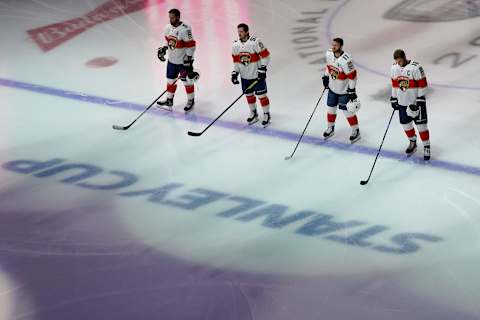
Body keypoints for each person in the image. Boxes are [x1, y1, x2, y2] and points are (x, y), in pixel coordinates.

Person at [390, 49, 430, 160]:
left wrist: (419, 101)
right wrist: (393, 98)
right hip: (402, 103)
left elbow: (423, 84)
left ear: (404, 57)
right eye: (396, 61)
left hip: (416, 103)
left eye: (400, 61)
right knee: (405, 124)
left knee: (421, 126)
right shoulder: (394, 68)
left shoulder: (416, 67)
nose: (398, 63)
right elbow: (394, 84)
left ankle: (426, 146)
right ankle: (413, 142)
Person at [156, 8, 197, 112]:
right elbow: (168, 42)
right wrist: (164, 48)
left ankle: (191, 100)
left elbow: (191, 46)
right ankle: (169, 100)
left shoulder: (185, 29)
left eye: (172, 17)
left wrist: (189, 60)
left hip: (182, 63)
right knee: (170, 80)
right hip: (171, 61)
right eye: (169, 17)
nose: (170, 19)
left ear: (178, 17)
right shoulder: (168, 27)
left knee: (187, 81)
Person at [231, 23, 272, 127]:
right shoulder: (235, 45)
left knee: (262, 96)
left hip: (256, 75)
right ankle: (254, 113)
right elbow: (236, 61)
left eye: (241, 31)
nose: (239, 33)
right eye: (238, 31)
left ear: (247, 31)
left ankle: (267, 114)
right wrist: (235, 73)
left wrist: (262, 69)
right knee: (249, 95)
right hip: (245, 77)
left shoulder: (255, 42)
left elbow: (266, 55)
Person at [322, 38, 361, 143]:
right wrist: (325, 77)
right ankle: (330, 128)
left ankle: (355, 130)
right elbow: (329, 67)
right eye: (332, 44)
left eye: (336, 45)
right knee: (331, 109)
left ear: (341, 46)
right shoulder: (329, 54)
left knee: (347, 112)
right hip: (332, 89)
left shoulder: (346, 60)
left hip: (344, 92)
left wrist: (351, 90)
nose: (333, 47)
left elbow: (353, 77)